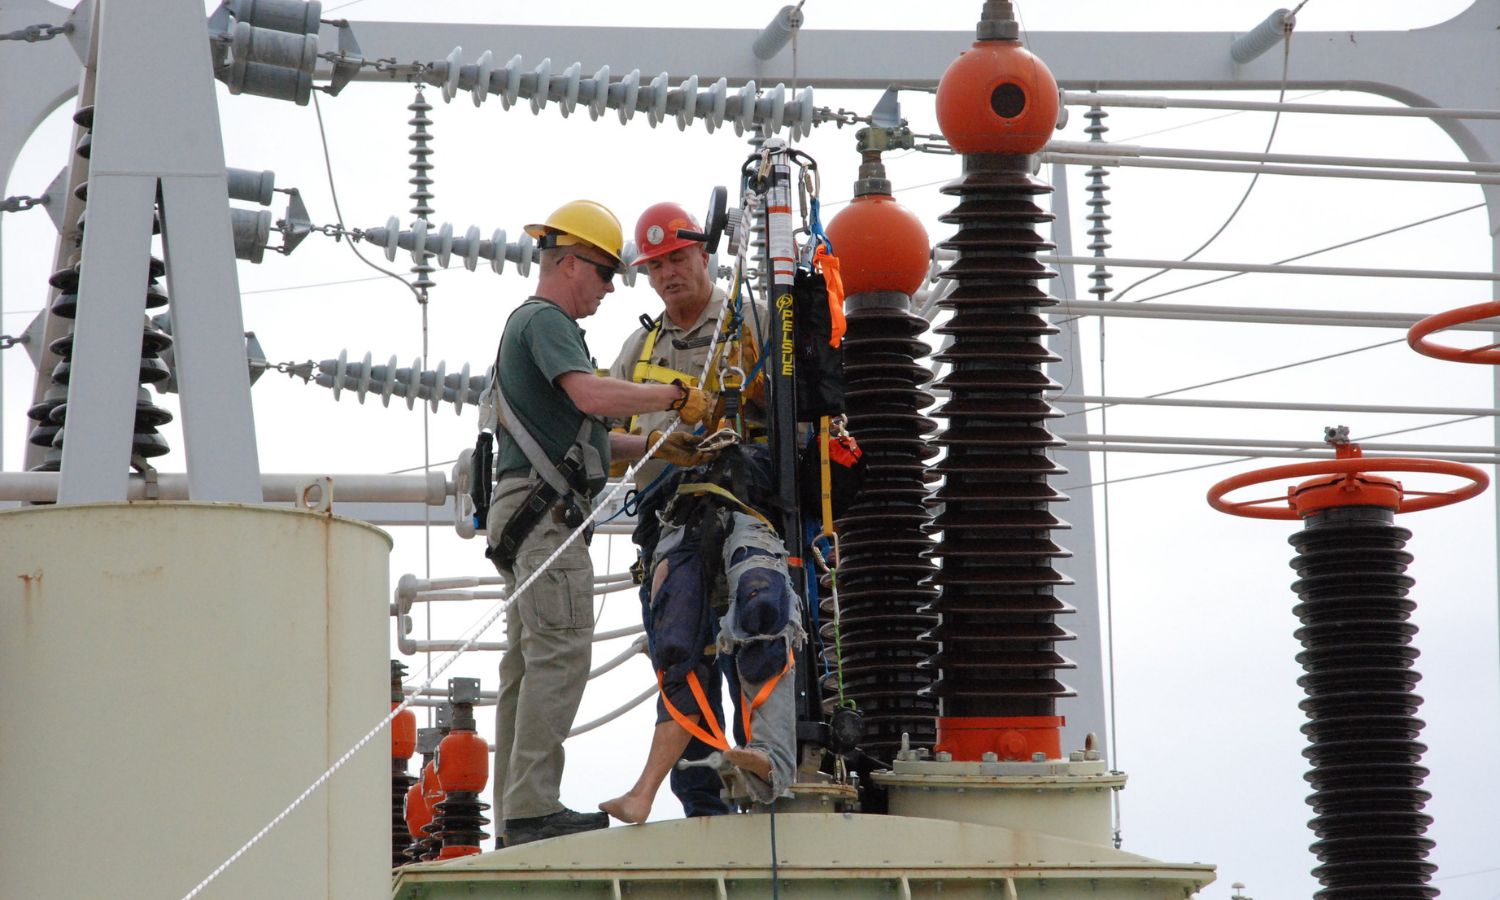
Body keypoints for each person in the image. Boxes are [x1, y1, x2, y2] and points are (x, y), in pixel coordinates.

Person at [484, 199, 715, 848]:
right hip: (546, 521)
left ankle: (515, 812)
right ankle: (532, 811)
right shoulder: (548, 322)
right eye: (604, 272)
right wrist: (673, 397)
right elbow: (592, 398)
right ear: (566, 263)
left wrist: (658, 446)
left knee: (526, 666)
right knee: (560, 656)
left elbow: (588, 439)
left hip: (525, 517)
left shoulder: (533, 330)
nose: (611, 288)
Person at [599, 202, 788, 825]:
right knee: (681, 648)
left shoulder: (751, 320)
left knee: (759, 612)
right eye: (656, 267)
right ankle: (701, 805)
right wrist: (660, 443)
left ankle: (762, 766)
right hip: (673, 522)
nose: (668, 275)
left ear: (703, 254)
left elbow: (795, 411)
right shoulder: (640, 347)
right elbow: (606, 446)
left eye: (678, 259)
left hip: (745, 507)